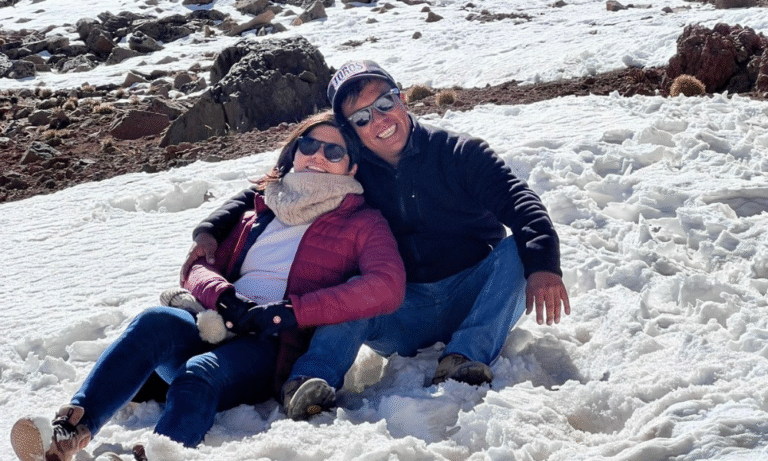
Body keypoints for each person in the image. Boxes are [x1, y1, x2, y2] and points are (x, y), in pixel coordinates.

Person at [10, 111, 405, 461]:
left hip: (270, 347)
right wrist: (224, 296)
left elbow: (387, 285)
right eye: (310, 145)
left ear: (352, 167)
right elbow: (198, 265)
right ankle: (69, 433)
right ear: (295, 151)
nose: (317, 156)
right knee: (154, 321)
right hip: (218, 321)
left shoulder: (363, 222)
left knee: (199, 372)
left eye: (333, 152)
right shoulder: (262, 205)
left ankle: (158, 455)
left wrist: (288, 312)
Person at [181, 60, 570, 413]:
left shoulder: (458, 152)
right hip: (402, 309)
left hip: (475, 297)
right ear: (351, 130)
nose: (379, 120)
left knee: (520, 249)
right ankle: (309, 380)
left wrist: (545, 268)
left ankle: (464, 357)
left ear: (402, 99)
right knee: (356, 288)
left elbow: (521, 201)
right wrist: (211, 230)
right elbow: (273, 186)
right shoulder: (349, 167)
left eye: (384, 103)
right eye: (362, 117)